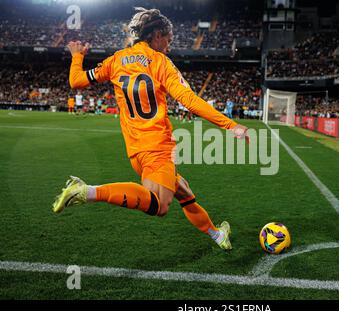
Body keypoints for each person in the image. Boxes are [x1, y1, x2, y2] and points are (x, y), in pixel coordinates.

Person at [52, 7, 249, 250]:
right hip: (158, 148)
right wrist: (230, 125)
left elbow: (76, 81)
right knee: (160, 206)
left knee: (184, 192)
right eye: (168, 38)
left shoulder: (116, 60)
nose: (169, 43)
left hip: (136, 152)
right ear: (156, 35)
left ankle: (218, 235)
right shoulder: (160, 62)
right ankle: (88, 191)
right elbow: (188, 100)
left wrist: (77, 56)